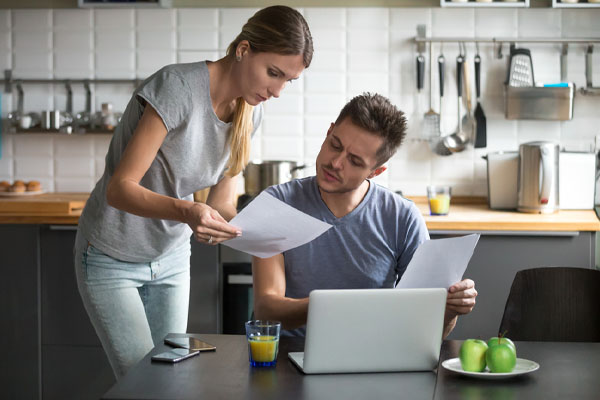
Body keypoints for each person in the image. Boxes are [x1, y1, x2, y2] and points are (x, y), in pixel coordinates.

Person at [74, 5, 313, 378]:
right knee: (141, 380)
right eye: (274, 73)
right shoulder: (177, 88)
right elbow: (120, 190)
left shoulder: (252, 112)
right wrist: (188, 212)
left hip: (170, 257)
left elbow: (221, 204)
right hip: (111, 255)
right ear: (244, 49)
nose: (278, 91)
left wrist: (268, 232)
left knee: (171, 377)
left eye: (289, 81)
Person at [252, 93, 477, 338]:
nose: (336, 163)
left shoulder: (403, 217)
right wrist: (336, 305)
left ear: (376, 172)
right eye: (335, 145)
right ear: (329, 132)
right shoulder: (278, 203)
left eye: (355, 161)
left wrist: (449, 309)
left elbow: (427, 330)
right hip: (286, 358)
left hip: (373, 355)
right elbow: (267, 309)